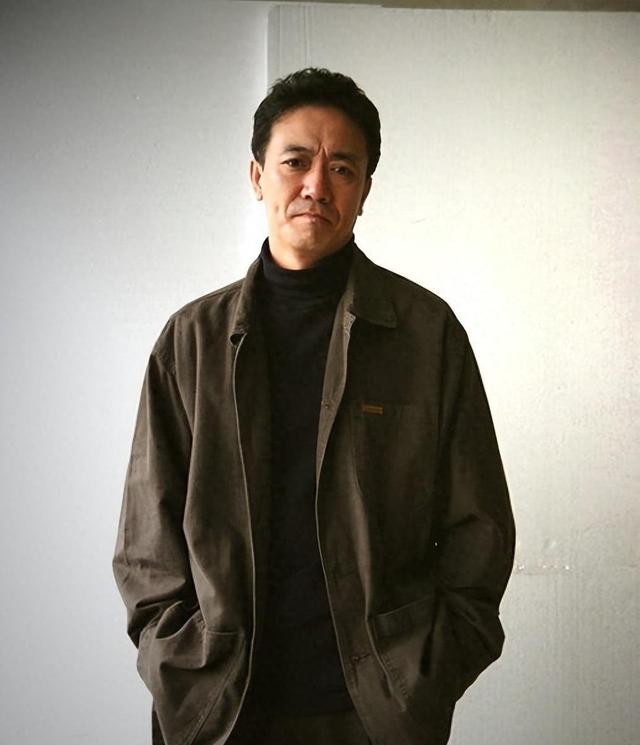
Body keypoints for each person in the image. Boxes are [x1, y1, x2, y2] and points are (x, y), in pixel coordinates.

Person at [113, 68, 515, 745]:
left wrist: (425, 673)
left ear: (364, 191)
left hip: (378, 715)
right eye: (295, 161)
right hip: (220, 711)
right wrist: (180, 659)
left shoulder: (425, 333)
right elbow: (145, 542)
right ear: (257, 175)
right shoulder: (191, 340)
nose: (317, 186)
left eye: (343, 168)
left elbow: (480, 527)